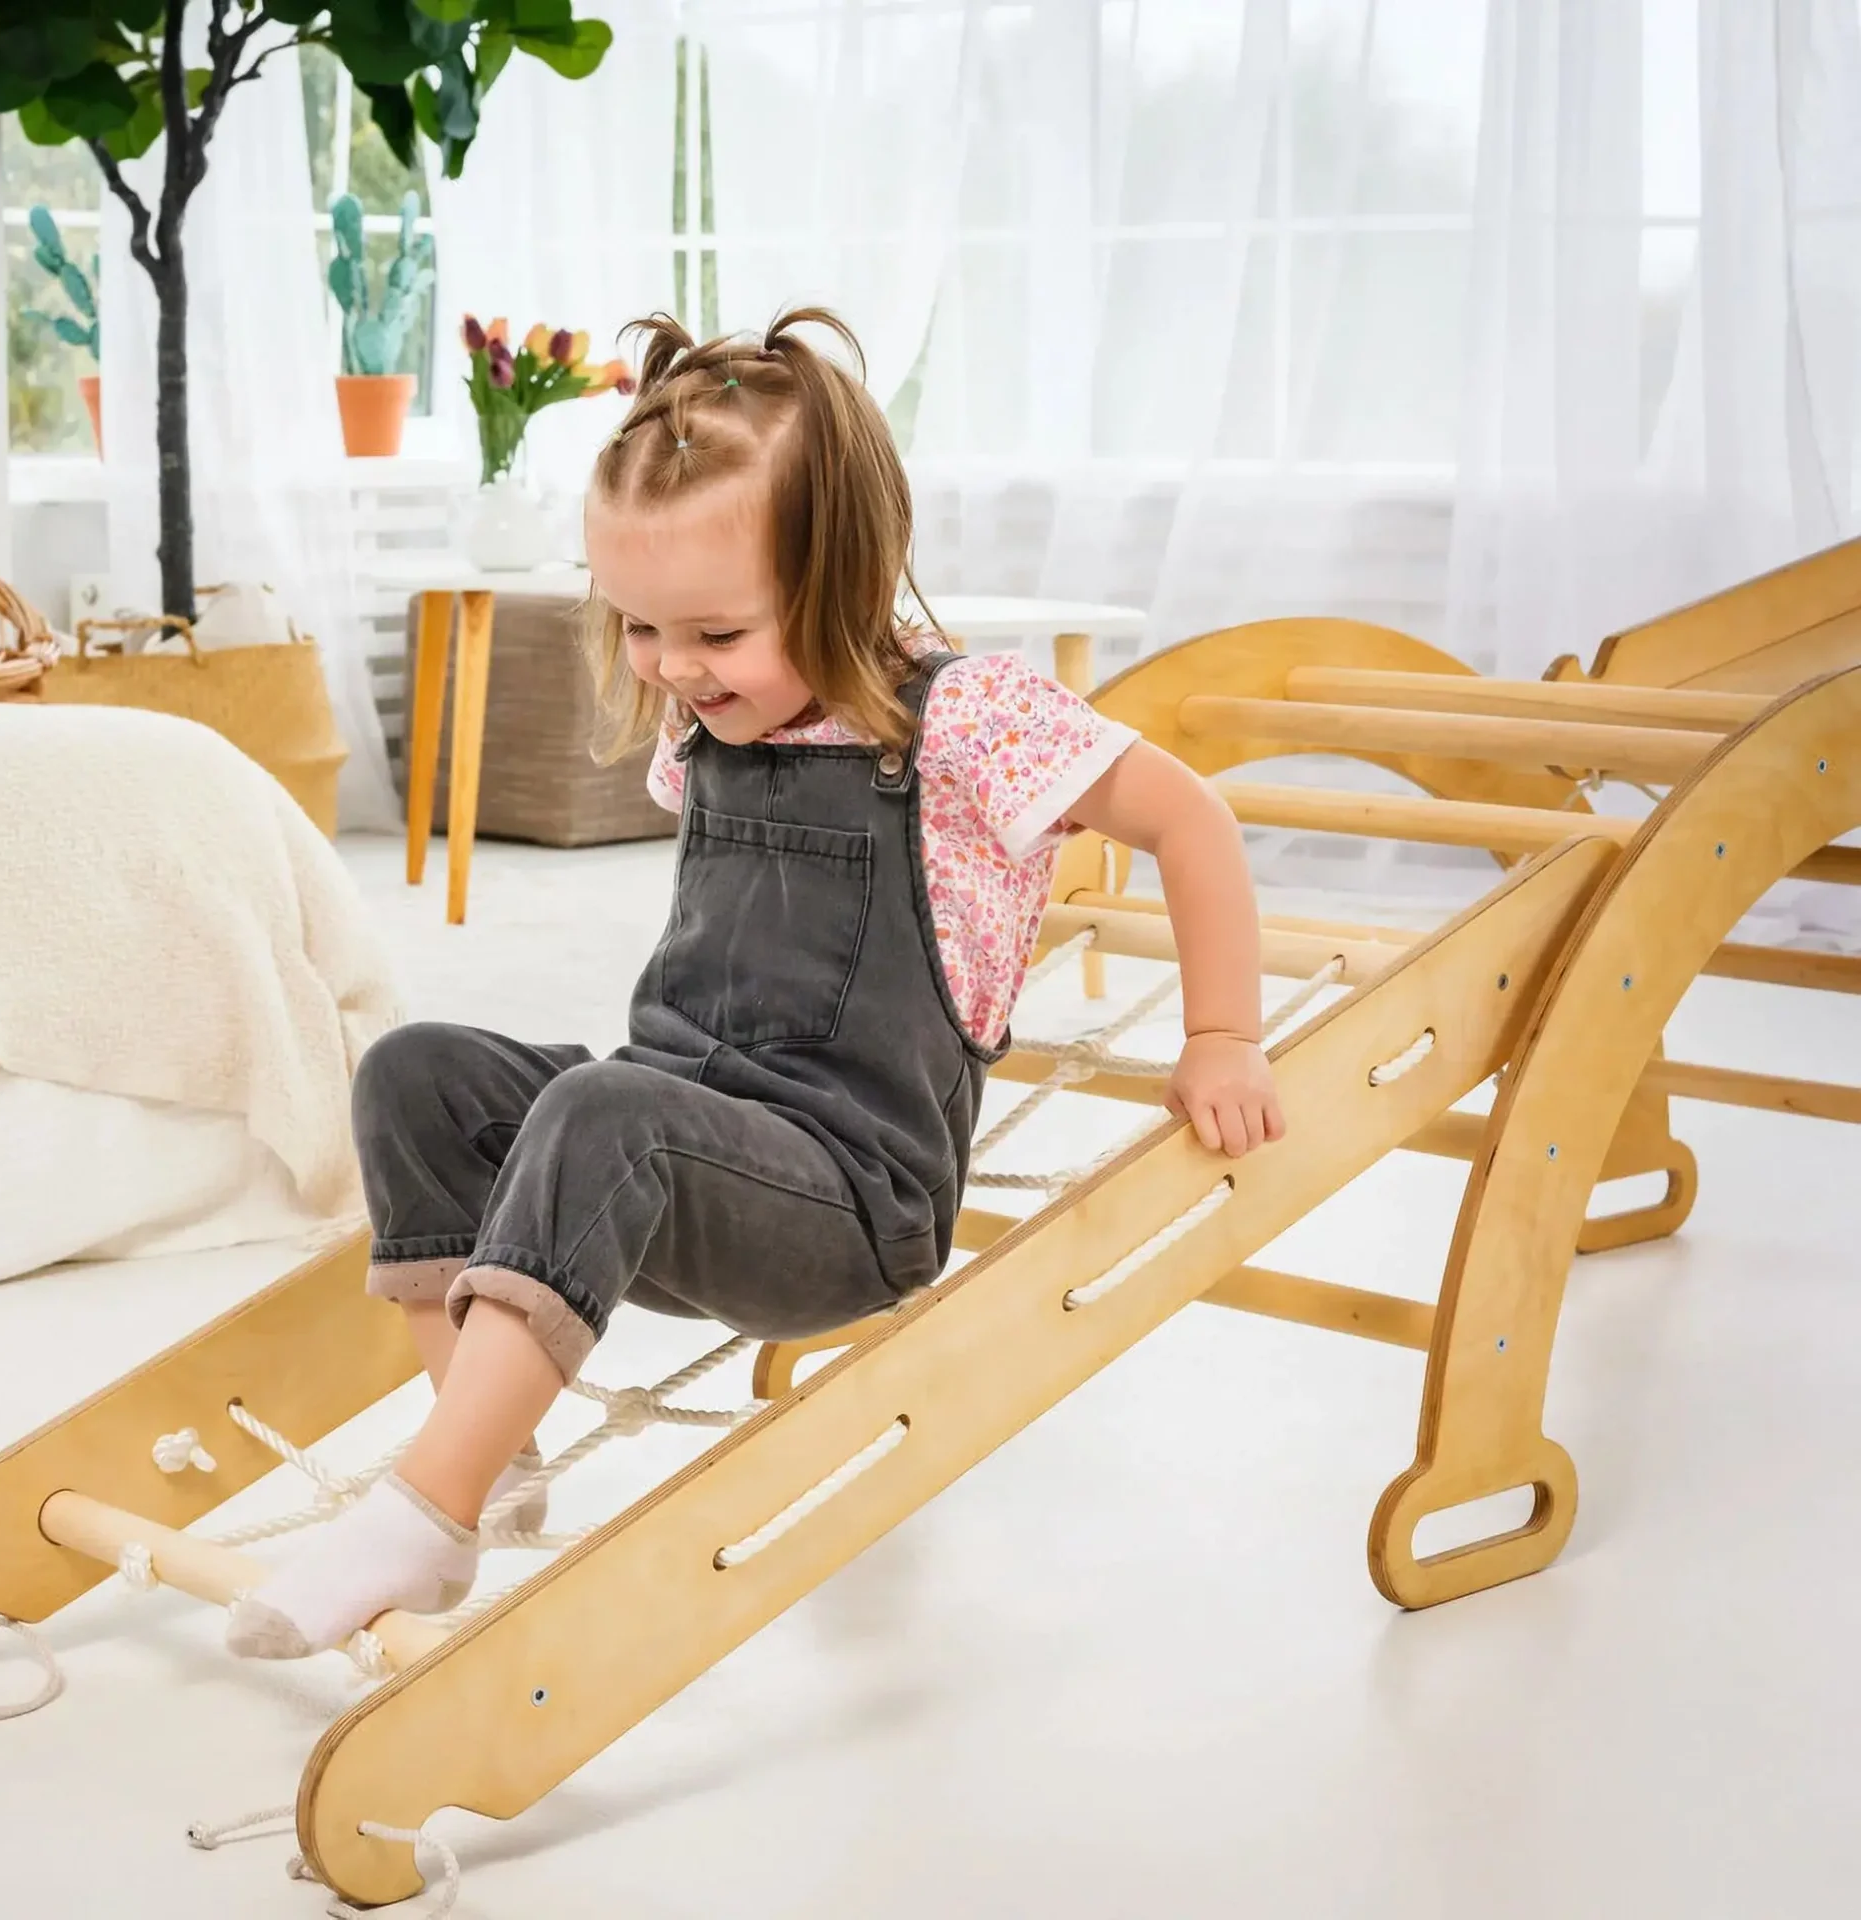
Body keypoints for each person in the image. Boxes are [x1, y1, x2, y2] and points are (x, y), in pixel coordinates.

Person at [225, 308, 1283, 1659]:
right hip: (669, 1157)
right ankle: (483, 1451)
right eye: (641, 628)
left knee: (605, 1110)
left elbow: (1191, 818)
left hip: (844, 1205)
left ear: (842, 579)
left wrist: (1223, 1034)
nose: (674, 669)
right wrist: (711, 660)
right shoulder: (712, 718)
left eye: (716, 632)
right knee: (411, 1069)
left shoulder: (968, 721)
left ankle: (422, 1511)